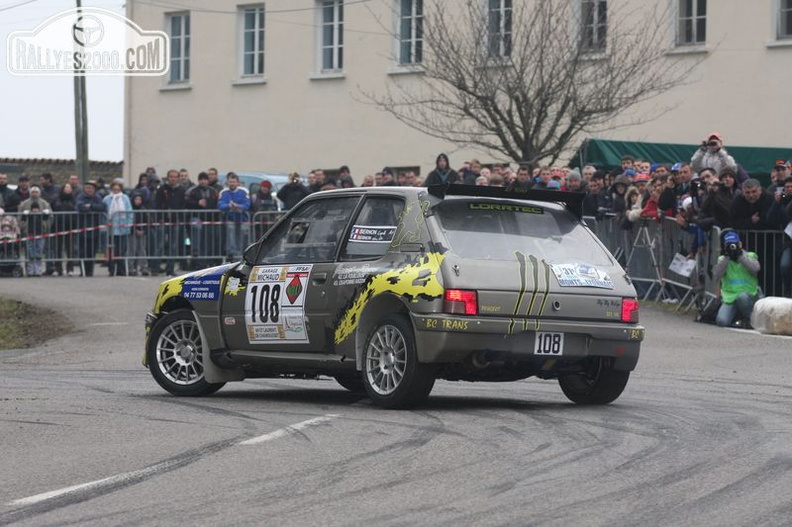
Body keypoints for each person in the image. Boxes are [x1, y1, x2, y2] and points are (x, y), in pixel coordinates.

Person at [713, 230, 761, 328]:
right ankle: (738, 318)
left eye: (734, 244)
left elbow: (755, 269)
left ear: (740, 244)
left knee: (742, 297)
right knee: (721, 321)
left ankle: (750, 320)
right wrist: (727, 256)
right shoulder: (723, 259)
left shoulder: (750, 255)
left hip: (748, 295)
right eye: (729, 245)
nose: (732, 247)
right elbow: (717, 273)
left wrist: (740, 256)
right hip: (730, 297)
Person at [153, 169, 187, 276]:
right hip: (163, 221)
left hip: (175, 222)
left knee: (173, 246)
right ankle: (156, 268)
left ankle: (170, 268)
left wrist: (180, 218)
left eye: (175, 177)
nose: (173, 178)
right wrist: (159, 218)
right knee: (160, 245)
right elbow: (157, 205)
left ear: (177, 178)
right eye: (171, 176)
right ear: (168, 178)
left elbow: (183, 205)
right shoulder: (161, 189)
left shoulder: (181, 190)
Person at [186, 172, 220, 269]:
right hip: (197, 218)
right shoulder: (192, 191)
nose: (203, 181)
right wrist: (197, 203)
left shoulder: (213, 191)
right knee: (197, 238)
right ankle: (196, 260)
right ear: (198, 180)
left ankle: (209, 261)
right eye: (201, 179)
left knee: (210, 241)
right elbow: (187, 203)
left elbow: (216, 204)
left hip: (210, 219)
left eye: (205, 179)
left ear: (208, 180)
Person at [75, 181, 107, 277]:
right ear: (84, 189)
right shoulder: (80, 197)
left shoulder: (97, 198)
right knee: (82, 251)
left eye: (91, 188)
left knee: (92, 251)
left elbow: (103, 207)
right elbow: (80, 207)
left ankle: (90, 271)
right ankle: (83, 270)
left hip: (94, 229)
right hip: (82, 229)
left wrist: (91, 206)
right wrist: (89, 208)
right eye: (88, 188)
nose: (89, 190)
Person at [18, 186, 52, 276]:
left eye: (36, 192)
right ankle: (29, 270)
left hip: (41, 232)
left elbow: (50, 217)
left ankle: (38, 270)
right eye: (33, 192)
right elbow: (20, 217)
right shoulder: (24, 204)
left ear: (39, 193)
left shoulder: (45, 203)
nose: (34, 194)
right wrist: (23, 227)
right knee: (29, 251)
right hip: (28, 232)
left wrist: (45, 227)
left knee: (39, 251)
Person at [218, 172, 250, 261]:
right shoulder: (224, 192)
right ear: (227, 182)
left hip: (242, 219)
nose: (232, 184)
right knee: (230, 234)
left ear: (237, 182)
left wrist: (238, 206)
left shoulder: (244, 192)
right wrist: (228, 206)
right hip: (230, 219)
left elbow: (247, 205)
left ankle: (242, 255)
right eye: (230, 182)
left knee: (242, 236)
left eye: (233, 182)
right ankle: (232, 255)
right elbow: (220, 205)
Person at [104, 181, 133, 276]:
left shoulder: (125, 198)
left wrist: (129, 224)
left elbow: (129, 211)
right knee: (111, 250)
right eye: (114, 189)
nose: (116, 191)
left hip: (122, 228)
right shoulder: (107, 199)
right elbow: (104, 212)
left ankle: (121, 269)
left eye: (118, 189)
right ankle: (111, 269)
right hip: (110, 229)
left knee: (121, 250)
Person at [51, 183, 79, 276]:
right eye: (66, 187)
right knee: (57, 249)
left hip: (70, 227)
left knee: (70, 249)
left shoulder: (74, 200)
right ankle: (58, 268)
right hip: (57, 227)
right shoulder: (56, 199)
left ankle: (70, 268)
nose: (67, 189)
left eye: (69, 188)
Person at [128, 191, 150, 276]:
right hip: (132, 232)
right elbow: (129, 221)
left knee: (142, 250)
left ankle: (143, 267)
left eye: (139, 199)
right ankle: (131, 268)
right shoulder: (130, 209)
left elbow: (147, 221)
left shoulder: (144, 209)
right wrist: (135, 230)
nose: (138, 201)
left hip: (142, 232)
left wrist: (143, 230)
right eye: (136, 199)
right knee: (132, 249)